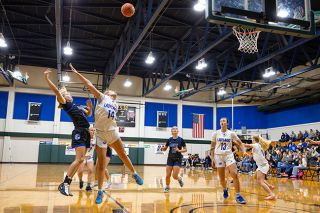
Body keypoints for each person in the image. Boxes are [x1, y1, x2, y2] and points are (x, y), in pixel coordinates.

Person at [69, 64, 143, 204]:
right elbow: (89, 84)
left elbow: (111, 103)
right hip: (100, 134)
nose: (113, 93)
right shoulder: (102, 97)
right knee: (101, 165)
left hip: (112, 132)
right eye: (110, 92)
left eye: (113, 93)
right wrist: (77, 73)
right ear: (106, 93)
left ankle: (134, 173)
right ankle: (101, 191)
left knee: (123, 155)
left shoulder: (115, 104)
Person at [44, 69, 92, 196]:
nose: (70, 94)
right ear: (64, 98)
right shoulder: (66, 104)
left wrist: (90, 107)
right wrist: (47, 79)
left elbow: (89, 114)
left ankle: (67, 184)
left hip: (87, 133)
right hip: (79, 131)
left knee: (81, 160)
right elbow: (56, 91)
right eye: (67, 94)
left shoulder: (77, 107)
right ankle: (64, 184)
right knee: (78, 159)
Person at [210, 117, 247, 204]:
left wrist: (244, 151)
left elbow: (240, 143)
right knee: (222, 179)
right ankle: (225, 189)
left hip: (228, 155)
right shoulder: (215, 133)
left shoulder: (231, 133)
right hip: (218, 156)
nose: (222, 122)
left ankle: (238, 195)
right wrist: (212, 159)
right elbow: (212, 148)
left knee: (235, 174)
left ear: (227, 123)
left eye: (224, 121)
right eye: (221, 121)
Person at [244, 136, 276, 200]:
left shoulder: (256, 145)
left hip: (263, 165)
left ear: (254, 140)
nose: (251, 140)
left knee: (260, 181)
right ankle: (270, 186)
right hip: (261, 165)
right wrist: (248, 155)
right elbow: (256, 157)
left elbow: (246, 145)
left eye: (252, 139)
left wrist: (239, 143)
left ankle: (271, 194)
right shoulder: (257, 147)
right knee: (256, 177)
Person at [160, 127, 187, 193]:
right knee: (167, 175)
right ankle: (167, 187)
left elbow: (185, 149)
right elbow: (165, 148)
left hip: (178, 159)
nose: (174, 130)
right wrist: (162, 148)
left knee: (174, 176)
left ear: (178, 131)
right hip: (170, 159)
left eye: (176, 130)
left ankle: (179, 178)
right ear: (171, 132)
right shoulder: (169, 140)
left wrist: (179, 150)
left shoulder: (181, 140)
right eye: (173, 130)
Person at [77, 127, 96, 191]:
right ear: (88, 131)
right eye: (91, 130)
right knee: (80, 171)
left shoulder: (96, 139)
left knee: (91, 170)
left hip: (90, 157)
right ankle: (80, 180)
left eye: (94, 130)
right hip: (83, 156)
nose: (93, 131)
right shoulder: (84, 138)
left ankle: (88, 185)